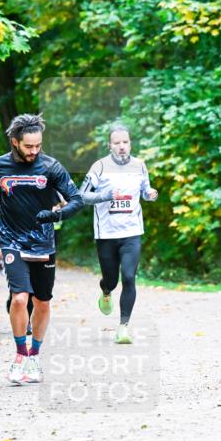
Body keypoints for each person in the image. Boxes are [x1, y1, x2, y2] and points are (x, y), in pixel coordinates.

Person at [0, 114, 83, 385]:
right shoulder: (0, 165)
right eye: (28, 147)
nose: (34, 151)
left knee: (43, 302)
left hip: (43, 242)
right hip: (12, 238)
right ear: (15, 142)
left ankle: (34, 356)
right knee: (19, 298)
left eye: (38, 146)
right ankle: (19, 356)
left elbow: (77, 200)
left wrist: (55, 216)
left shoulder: (51, 166)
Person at [79, 124, 158, 343]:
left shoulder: (140, 166)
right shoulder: (100, 167)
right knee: (112, 281)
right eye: (117, 143)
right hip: (106, 233)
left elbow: (145, 191)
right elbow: (82, 196)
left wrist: (151, 194)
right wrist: (105, 195)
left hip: (132, 231)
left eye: (125, 142)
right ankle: (106, 290)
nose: (122, 146)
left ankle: (123, 327)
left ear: (130, 143)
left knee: (129, 277)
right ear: (110, 145)